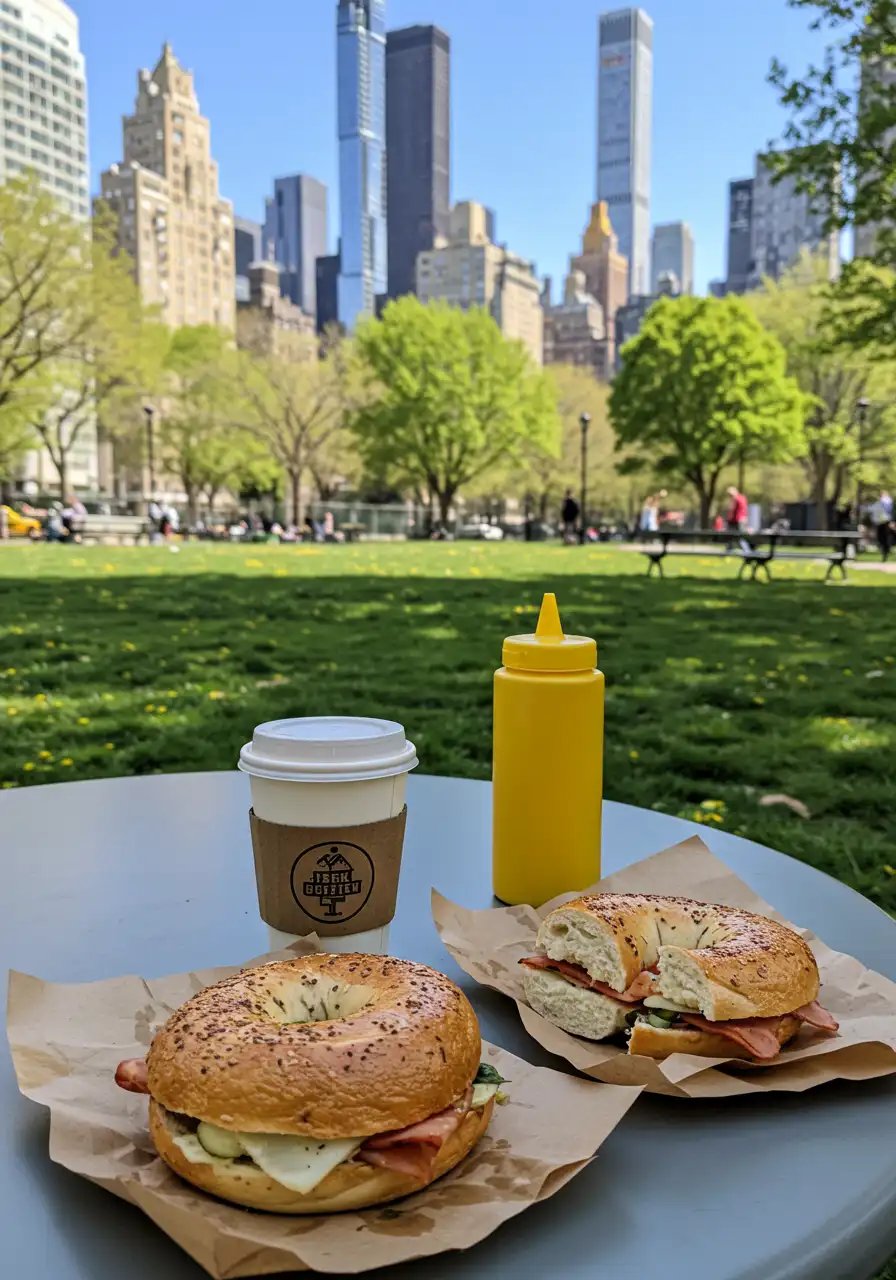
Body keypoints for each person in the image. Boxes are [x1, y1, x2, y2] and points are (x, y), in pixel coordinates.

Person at [869, 490, 894, 562]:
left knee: (885, 538)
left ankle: (886, 551)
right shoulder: (880, 502)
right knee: (881, 538)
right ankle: (885, 551)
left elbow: (889, 511)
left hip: (885, 522)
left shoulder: (887, 501)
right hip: (880, 523)